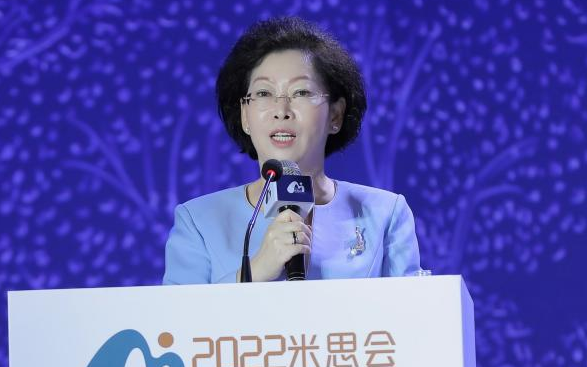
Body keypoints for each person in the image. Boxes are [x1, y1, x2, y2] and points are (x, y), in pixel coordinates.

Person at [163, 16, 421, 284]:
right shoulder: (198, 221)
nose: (281, 111)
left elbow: (414, 309)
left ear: (335, 115)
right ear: (245, 116)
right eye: (264, 93)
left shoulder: (386, 214)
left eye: (301, 93)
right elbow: (178, 311)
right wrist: (256, 271)